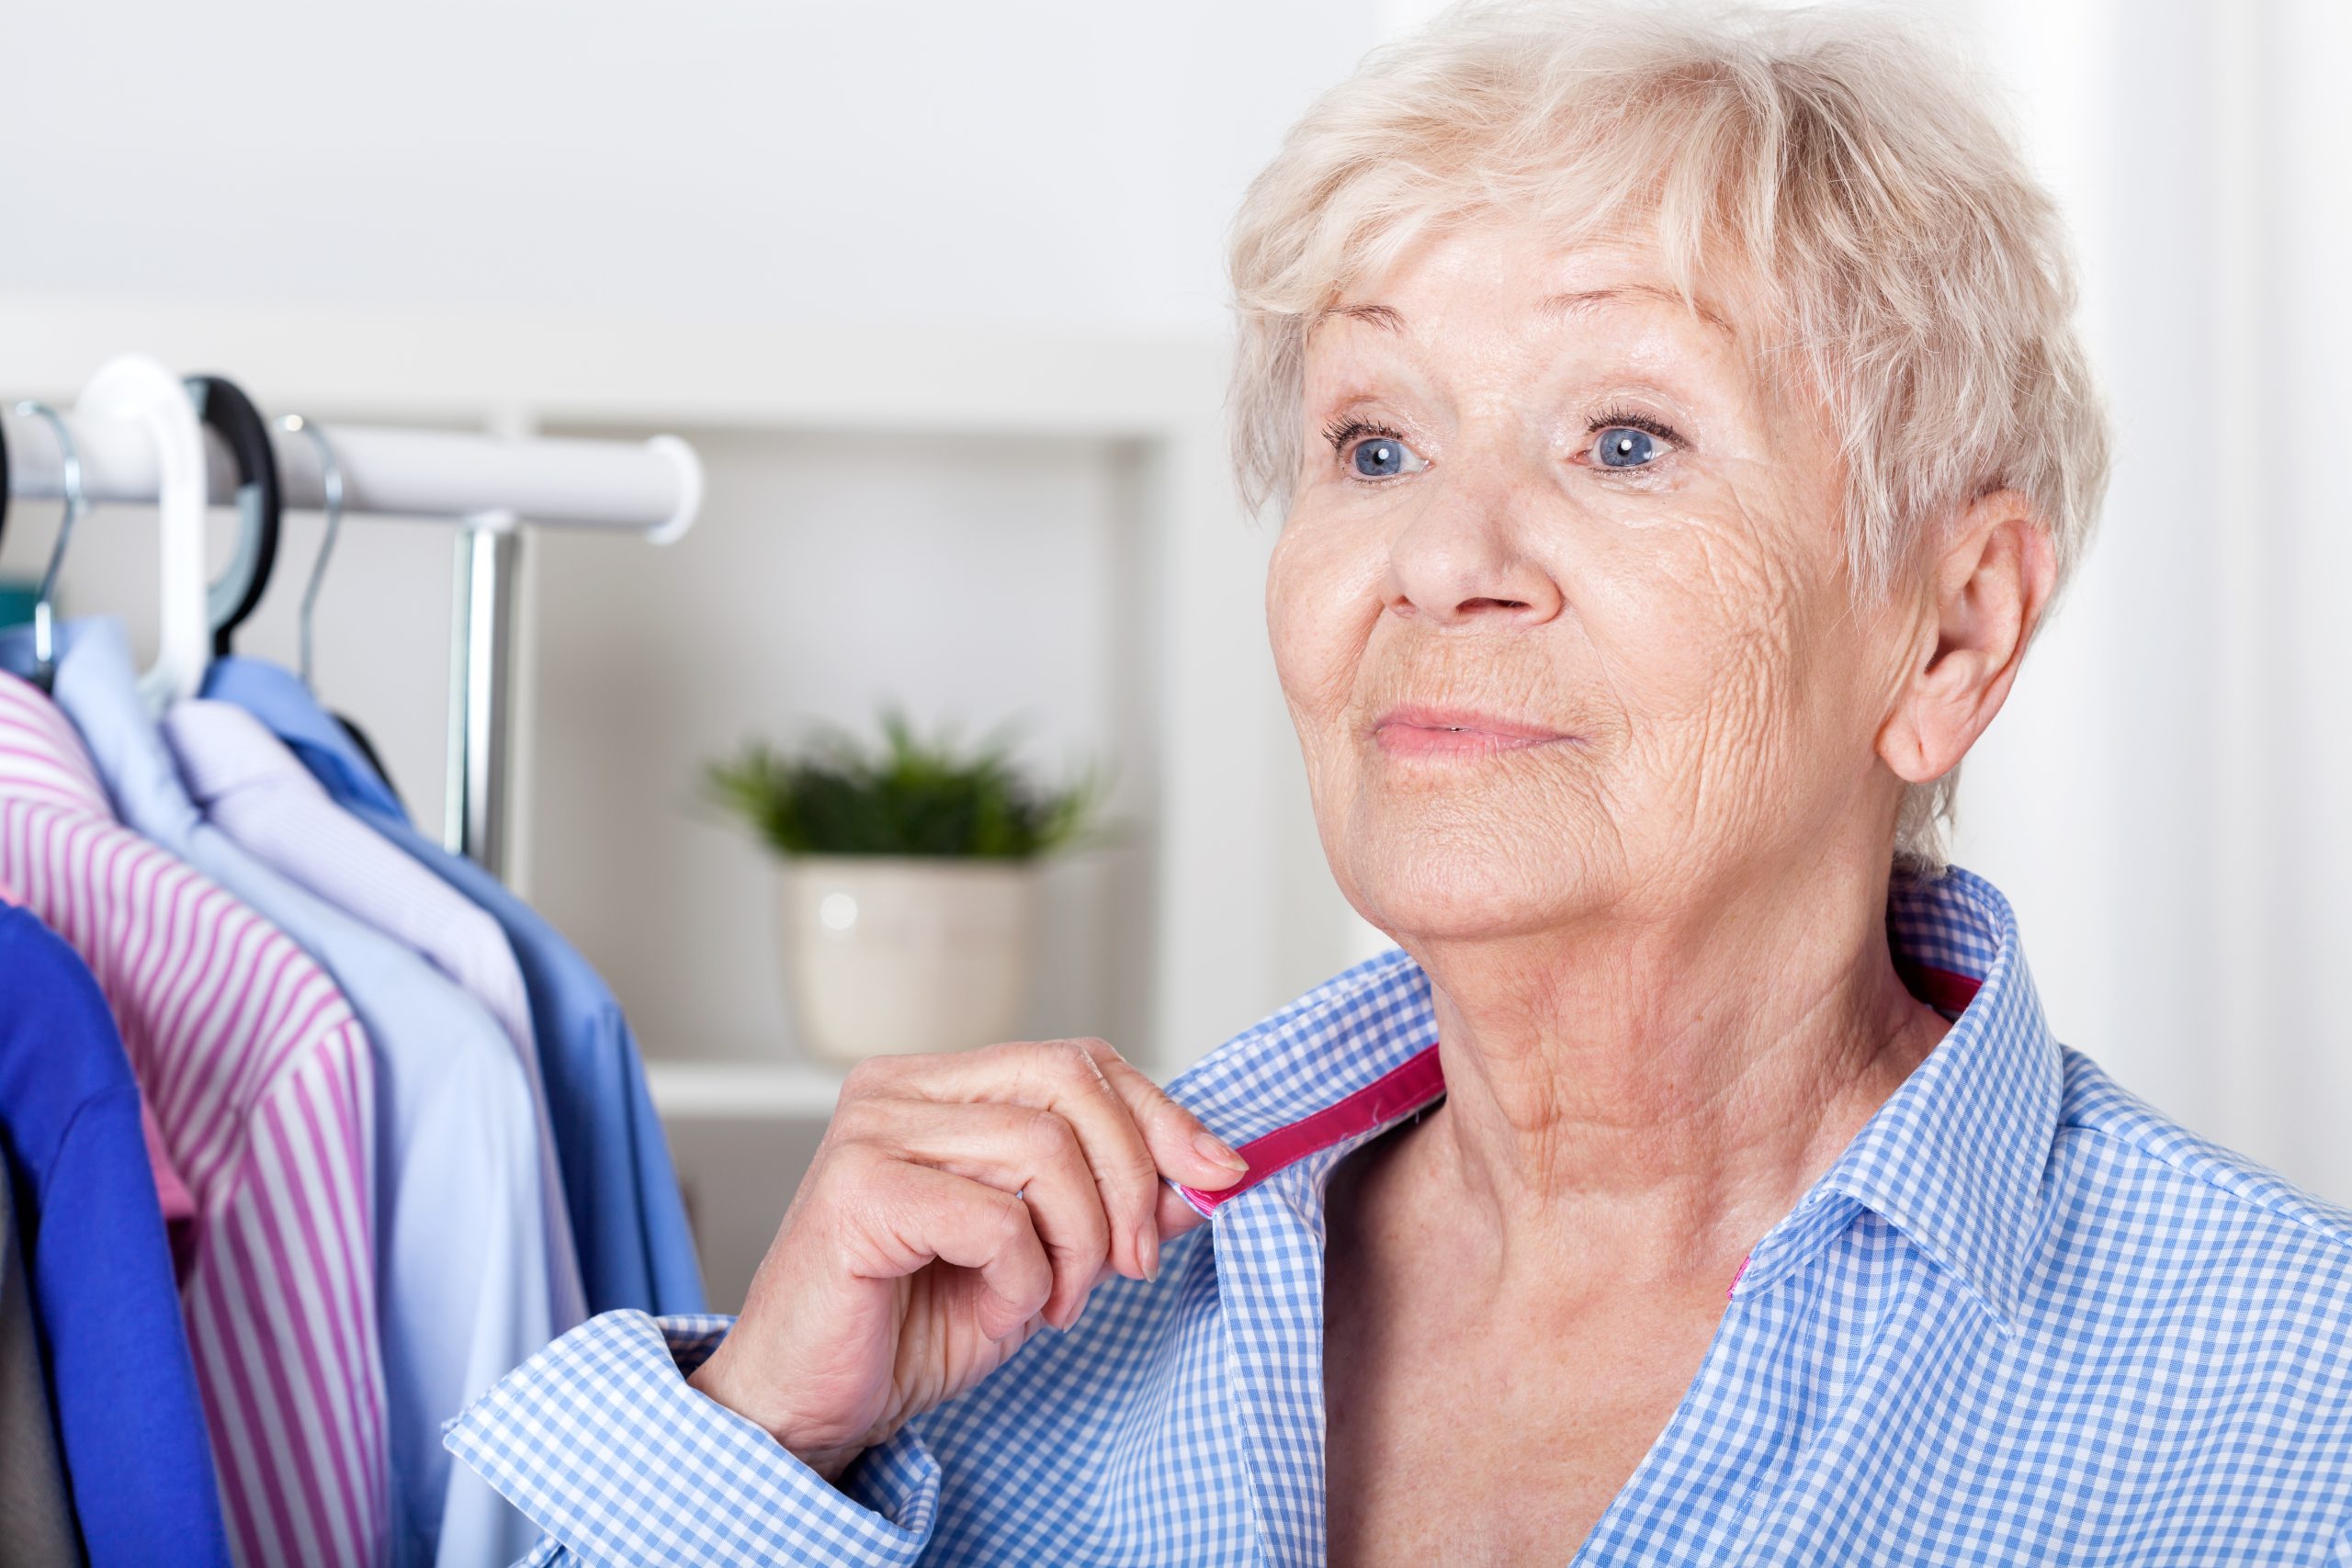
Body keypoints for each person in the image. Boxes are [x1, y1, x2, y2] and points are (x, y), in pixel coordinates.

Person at [447, 3, 2352, 1562]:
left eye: (1620, 436)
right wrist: (767, 1433)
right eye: (1369, 443)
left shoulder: (2286, 1402)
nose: (1440, 556)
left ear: (1947, 632)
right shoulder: (1007, 1344)